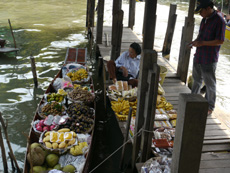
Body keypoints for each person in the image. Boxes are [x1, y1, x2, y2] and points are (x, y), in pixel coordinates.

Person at [189, 0, 226, 116]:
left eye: (202, 11)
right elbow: (201, 35)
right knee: (196, 80)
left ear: (209, 8)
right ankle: (192, 99)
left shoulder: (220, 21)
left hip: (209, 58)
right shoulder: (204, 19)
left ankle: (210, 106)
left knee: (210, 84)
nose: (200, 14)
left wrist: (203, 43)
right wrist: (195, 42)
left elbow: (220, 40)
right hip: (199, 55)